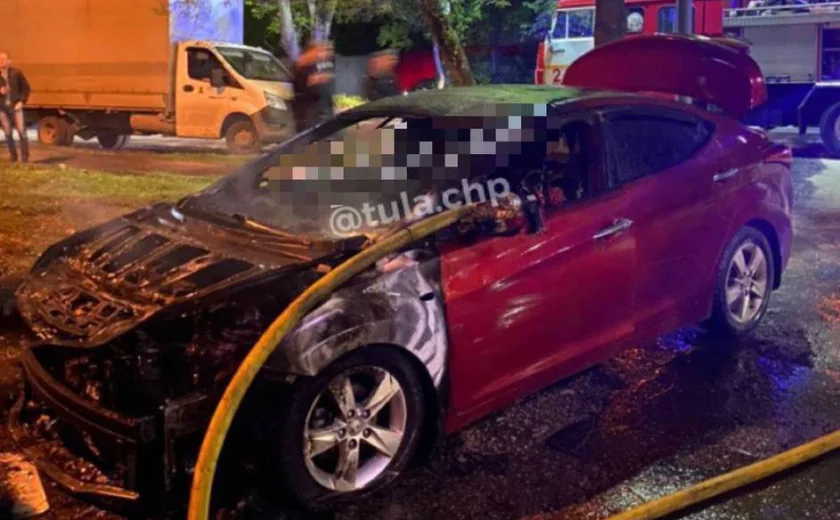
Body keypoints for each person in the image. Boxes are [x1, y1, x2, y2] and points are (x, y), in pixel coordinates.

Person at [292, 42, 335, 132]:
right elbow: (300, 85)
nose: (323, 53)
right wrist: (316, 79)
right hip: (310, 108)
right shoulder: (302, 66)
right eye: (320, 51)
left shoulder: (326, 64)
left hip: (325, 106)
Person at [0, 51, 30, 163]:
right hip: (2, 108)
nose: (1, 61)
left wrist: (22, 101)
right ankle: (13, 157)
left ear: (9, 61)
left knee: (22, 131)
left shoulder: (16, 73)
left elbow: (26, 88)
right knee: (8, 132)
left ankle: (25, 158)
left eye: (4, 59)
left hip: (16, 106)